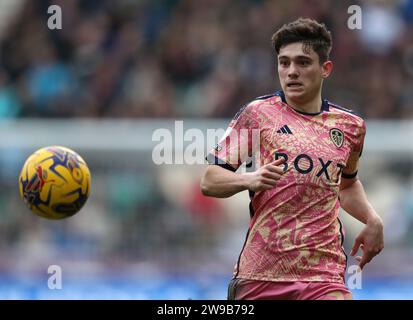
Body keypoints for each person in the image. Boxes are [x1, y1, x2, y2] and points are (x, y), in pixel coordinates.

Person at [200, 18, 384, 300]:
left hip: (323, 275)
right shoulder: (258, 114)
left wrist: (372, 219)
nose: (291, 72)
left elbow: (346, 185)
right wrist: (250, 178)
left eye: (302, 62)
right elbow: (210, 180)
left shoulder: (350, 126)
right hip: (261, 275)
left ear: (326, 69)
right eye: (284, 63)